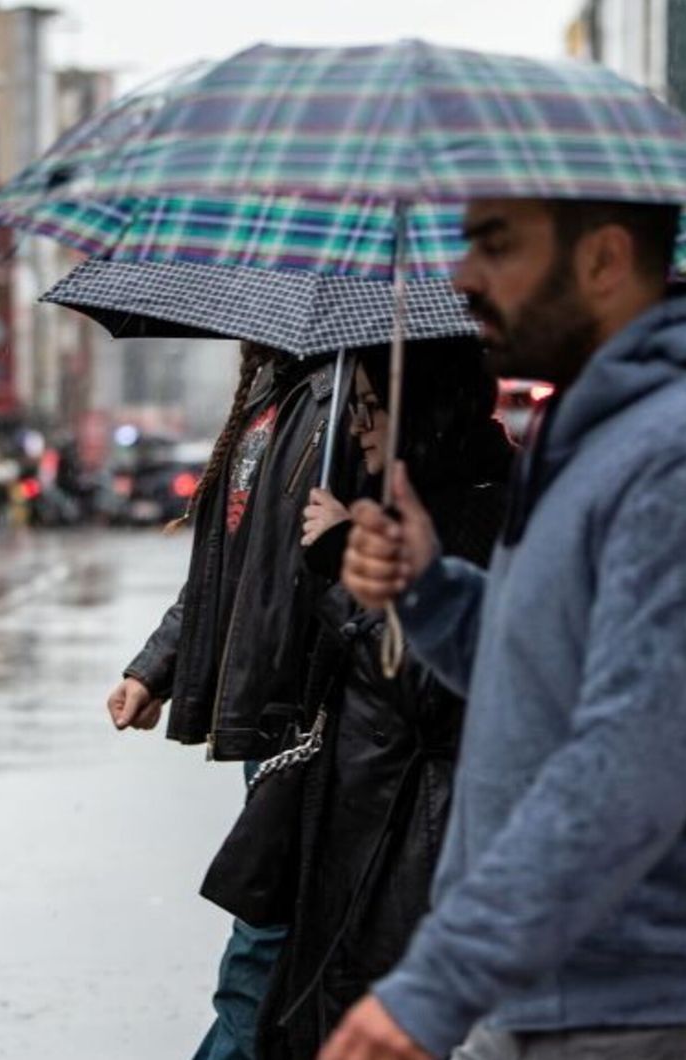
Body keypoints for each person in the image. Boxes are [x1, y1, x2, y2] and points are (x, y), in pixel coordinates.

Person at [326, 198, 686, 1060]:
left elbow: (631, 758)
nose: (463, 277)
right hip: (555, 1002)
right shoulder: (588, 434)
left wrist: (437, 985)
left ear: (603, 260)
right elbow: (546, 673)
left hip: (670, 1017)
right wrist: (429, 591)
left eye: (497, 246)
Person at [259, 342, 513, 1060]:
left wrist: (345, 573)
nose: (360, 426)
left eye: (374, 409)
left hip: (413, 843)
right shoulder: (394, 500)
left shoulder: (483, 508)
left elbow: (431, 692)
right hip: (366, 828)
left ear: (422, 409)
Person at [105, 341, 340, 1060]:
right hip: (279, 723)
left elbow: (332, 574)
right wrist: (156, 669)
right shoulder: (274, 397)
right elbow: (229, 567)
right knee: (277, 946)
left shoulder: (340, 399)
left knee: (264, 949)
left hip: (317, 716)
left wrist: (346, 539)